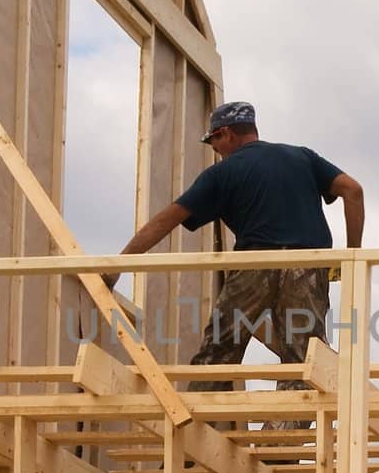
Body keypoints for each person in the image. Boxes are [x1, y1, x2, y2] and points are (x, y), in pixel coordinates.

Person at [103, 102, 364, 403]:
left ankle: (193, 439)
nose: (215, 149)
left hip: (253, 267)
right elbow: (353, 190)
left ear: (225, 134)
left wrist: (117, 265)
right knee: (305, 368)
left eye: (213, 141)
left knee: (216, 358)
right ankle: (275, 448)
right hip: (307, 268)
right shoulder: (302, 157)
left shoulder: (223, 173)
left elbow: (166, 220)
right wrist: (352, 258)